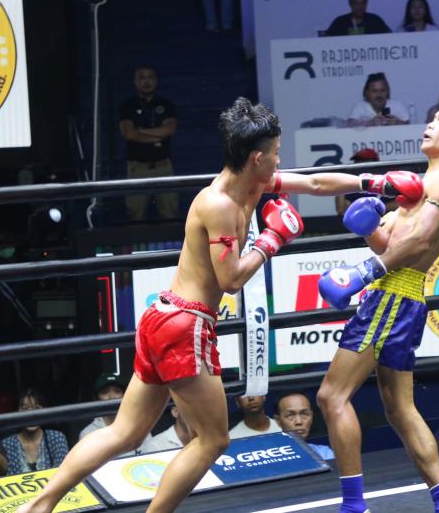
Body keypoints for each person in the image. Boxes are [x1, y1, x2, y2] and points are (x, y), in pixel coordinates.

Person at [20, 96, 408, 513]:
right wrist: (271, 239)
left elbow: (314, 184)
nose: (280, 161)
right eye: (276, 153)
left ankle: (37, 507)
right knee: (213, 439)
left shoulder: (254, 182)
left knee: (126, 432)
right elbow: (231, 280)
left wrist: (372, 183)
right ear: (257, 157)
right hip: (183, 325)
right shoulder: (219, 204)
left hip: (165, 318)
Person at [317, 98, 439, 513]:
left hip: (392, 295)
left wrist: (364, 272)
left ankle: (354, 506)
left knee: (331, 396)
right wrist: (367, 228)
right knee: (399, 408)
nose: (430, 124)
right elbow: (391, 242)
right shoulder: (424, 182)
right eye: (433, 117)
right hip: (402, 296)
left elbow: (415, 244)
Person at [119, 66, 179, 221]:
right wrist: (158, 136)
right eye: (141, 77)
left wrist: (140, 131)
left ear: (156, 80)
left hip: (163, 165)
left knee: (170, 213)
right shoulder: (127, 105)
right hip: (137, 167)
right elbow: (129, 134)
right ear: (135, 81)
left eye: (150, 77)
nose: (146, 81)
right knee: (135, 214)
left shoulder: (166, 104)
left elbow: (169, 130)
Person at [78, 372, 151, 456]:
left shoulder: (139, 427)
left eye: (117, 391)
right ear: (97, 398)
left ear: (124, 395)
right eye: (105, 392)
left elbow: (151, 457)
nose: (111, 397)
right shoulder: (88, 434)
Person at [2, 388, 69, 475]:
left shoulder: (57, 438)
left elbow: (61, 474)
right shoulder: (7, 444)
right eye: (25, 408)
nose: (31, 414)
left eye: (36, 408)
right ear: (17, 412)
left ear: (44, 411)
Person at [274, 392, 334, 461]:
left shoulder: (325, 453)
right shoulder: (269, 458)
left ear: (311, 417)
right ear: (278, 420)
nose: (299, 422)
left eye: (304, 414)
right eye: (290, 415)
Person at [335, 149, 395, 216]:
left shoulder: (385, 179)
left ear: (374, 162)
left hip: (383, 218)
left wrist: (376, 207)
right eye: (357, 161)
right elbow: (341, 210)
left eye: (362, 160)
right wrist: (341, 182)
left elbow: (397, 205)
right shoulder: (353, 181)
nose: (358, 164)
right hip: (359, 219)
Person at [324, 0, 391, 37]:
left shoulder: (375, 20)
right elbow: (326, 41)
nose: (360, 7)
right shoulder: (339, 22)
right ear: (350, 3)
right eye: (356, 3)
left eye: (363, 3)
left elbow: (389, 37)